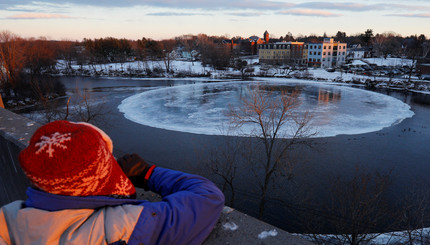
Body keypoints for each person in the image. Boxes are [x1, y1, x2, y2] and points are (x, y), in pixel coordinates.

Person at [0, 120, 225, 245]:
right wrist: (148, 173)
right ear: (102, 176)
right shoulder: (123, 226)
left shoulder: (8, 220)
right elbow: (208, 197)